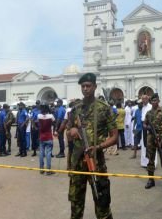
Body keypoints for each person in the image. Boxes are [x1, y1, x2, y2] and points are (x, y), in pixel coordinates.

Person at [66, 72, 118, 219]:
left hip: (96, 162)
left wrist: (99, 147)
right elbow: (67, 133)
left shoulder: (103, 108)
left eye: (88, 86)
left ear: (95, 86)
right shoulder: (75, 109)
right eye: (83, 86)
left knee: (102, 204)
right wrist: (72, 131)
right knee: (75, 204)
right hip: (77, 164)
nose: (85, 89)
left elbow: (114, 136)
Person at [144, 93, 162, 192]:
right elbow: (144, 123)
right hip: (151, 138)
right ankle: (151, 180)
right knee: (150, 159)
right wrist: (147, 127)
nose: (154, 102)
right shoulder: (148, 113)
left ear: (158, 101)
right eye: (152, 101)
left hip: (161, 138)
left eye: (155, 100)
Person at [37, 103, 56, 175]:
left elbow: (37, 123)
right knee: (48, 153)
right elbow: (55, 123)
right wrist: (54, 130)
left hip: (41, 136)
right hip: (48, 136)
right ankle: (48, 170)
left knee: (41, 153)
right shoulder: (51, 116)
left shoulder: (39, 116)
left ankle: (41, 169)